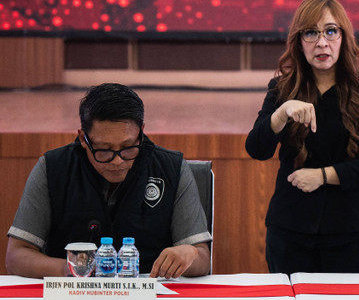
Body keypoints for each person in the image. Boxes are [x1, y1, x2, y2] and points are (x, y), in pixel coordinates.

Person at [245, 0, 359, 274]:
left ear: (344, 37)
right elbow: (256, 149)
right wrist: (282, 112)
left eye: (330, 31)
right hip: (290, 231)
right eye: (311, 33)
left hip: (351, 231)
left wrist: (323, 176)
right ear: (299, 42)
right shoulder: (281, 89)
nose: (322, 42)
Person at [6, 83, 212, 279]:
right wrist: (74, 270)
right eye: (104, 150)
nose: (117, 161)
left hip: (151, 295)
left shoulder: (171, 168)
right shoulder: (53, 168)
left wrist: (189, 254)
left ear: (141, 132)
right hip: (73, 294)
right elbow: (17, 256)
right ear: (82, 139)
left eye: (128, 147)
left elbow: (203, 260)